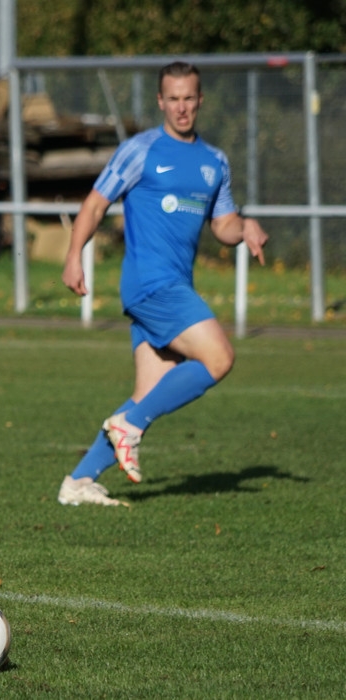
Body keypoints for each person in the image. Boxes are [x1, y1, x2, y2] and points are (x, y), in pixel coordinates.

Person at [57, 61, 269, 507]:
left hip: (174, 285)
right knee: (219, 357)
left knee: (146, 395)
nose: (181, 107)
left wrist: (246, 226)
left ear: (200, 100)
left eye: (188, 98)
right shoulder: (140, 150)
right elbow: (95, 205)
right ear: (160, 101)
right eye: (173, 99)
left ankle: (78, 481)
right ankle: (129, 427)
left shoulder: (215, 161)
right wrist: (74, 255)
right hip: (151, 285)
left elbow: (223, 225)